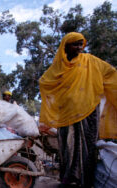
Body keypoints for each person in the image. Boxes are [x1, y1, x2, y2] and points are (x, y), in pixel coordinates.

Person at [39, 32, 117, 187]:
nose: (79, 48)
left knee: (87, 147)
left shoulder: (91, 61)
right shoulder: (58, 66)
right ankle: (69, 180)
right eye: (75, 44)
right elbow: (45, 81)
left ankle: (85, 181)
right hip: (66, 115)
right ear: (65, 46)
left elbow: (110, 74)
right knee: (68, 149)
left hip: (88, 113)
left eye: (81, 44)